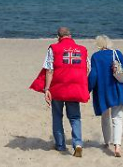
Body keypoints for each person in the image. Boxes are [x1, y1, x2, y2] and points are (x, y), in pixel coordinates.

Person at [29, 27, 90, 157]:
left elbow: (49, 69)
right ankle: (78, 144)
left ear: (58, 37)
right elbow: (87, 68)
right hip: (74, 88)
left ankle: (61, 145)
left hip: (58, 88)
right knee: (75, 117)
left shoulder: (54, 48)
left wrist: (46, 89)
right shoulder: (82, 49)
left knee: (57, 116)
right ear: (71, 35)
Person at [87, 35, 123, 157]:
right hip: (118, 89)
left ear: (98, 45)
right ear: (109, 43)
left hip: (102, 92)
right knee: (118, 118)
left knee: (105, 117)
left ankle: (106, 141)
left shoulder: (95, 57)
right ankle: (117, 146)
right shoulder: (117, 53)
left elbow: (93, 76)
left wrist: (87, 90)